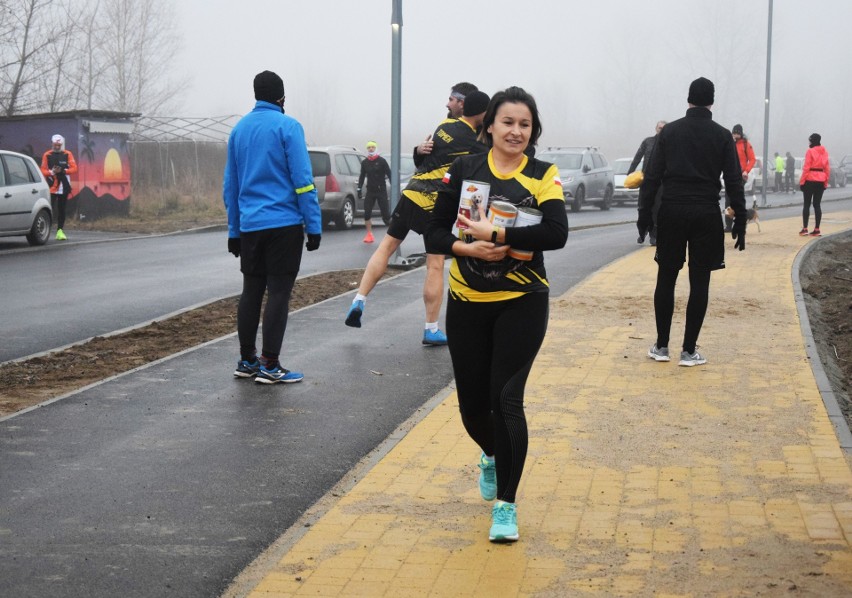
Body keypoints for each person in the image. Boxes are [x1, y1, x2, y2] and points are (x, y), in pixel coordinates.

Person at [425, 86, 568, 543]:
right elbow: (433, 230)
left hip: (523, 302)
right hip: (467, 302)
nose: (516, 131)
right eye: (508, 122)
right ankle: (490, 453)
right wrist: (468, 246)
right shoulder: (464, 169)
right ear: (490, 126)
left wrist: (498, 230)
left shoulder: (544, 174)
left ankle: (506, 506)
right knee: (472, 408)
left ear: (533, 130)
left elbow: (557, 233)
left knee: (505, 398)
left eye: (525, 124)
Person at [344, 89, 491, 345]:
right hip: (434, 205)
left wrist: (417, 150)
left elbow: (427, 155)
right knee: (434, 265)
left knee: (386, 247)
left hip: (411, 193)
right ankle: (431, 328)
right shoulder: (473, 143)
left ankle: (359, 299)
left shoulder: (444, 125)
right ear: (482, 114)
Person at [638, 77, 746, 368]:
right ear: (712, 101)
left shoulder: (669, 132)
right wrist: (741, 217)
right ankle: (688, 351)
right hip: (705, 213)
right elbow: (734, 180)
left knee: (667, 277)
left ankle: (661, 346)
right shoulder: (722, 136)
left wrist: (644, 216)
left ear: (688, 99)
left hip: (672, 211)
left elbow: (652, 178)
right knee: (700, 281)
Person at [223, 70, 322, 384]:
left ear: (256, 95)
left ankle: (247, 359)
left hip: (251, 225)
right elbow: (303, 182)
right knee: (279, 292)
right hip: (283, 225)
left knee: (251, 291)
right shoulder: (288, 127)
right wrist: (314, 224)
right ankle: (271, 364)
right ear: (282, 97)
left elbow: (231, 186)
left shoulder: (238, 131)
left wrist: (234, 231)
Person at [412, 82, 479, 167]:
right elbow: (425, 165)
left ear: (461, 103)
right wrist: (419, 151)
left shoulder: (480, 134)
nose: (447, 105)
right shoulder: (447, 124)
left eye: (451, 100)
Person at [628, 120, 666, 245]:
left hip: (661, 181)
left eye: (663, 128)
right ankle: (642, 231)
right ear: (656, 128)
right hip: (647, 180)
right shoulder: (647, 141)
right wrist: (630, 173)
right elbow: (637, 157)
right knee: (643, 207)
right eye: (659, 127)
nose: (661, 130)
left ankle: (654, 235)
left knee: (657, 208)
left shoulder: (669, 142)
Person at [40, 134, 77, 241]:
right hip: (51, 187)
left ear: (62, 144)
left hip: (64, 186)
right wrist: (51, 172)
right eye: (55, 145)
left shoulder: (67, 154)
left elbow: (74, 168)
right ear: (52, 144)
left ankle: (60, 231)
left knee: (62, 209)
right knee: (48, 209)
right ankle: (45, 230)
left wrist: (64, 171)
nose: (57, 147)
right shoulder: (47, 154)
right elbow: (42, 170)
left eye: (59, 145)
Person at [357, 141, 391, 244]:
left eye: (372, 147)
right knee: (367, 213)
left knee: (385, 215)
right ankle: (369, 234)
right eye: (369, 148)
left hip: (381, 190)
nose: (371, 149)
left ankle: (391, 236)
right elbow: (362, 176)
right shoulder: (365, 162)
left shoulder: (382, 161)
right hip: (370, 191)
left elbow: (390, 174)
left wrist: (394, 187)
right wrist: (359, 188)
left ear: (375, 148)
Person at [724, 123, 755, 232]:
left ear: (741, 134)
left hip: (740, 176)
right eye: (734, 133)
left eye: (737, 133)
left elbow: (752, 159)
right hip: (729, 175)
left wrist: (746, 171)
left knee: (738, 200)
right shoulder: (728, 143)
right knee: (728, 202)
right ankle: (728, 226)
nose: (735, 135)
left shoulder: (746, 144)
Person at [798, 133, 830, 237]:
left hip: (810, 179)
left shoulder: (810, 151)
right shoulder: (824, 152)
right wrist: (825, 182)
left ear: (812, 141)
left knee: (806, 204)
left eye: (810, 140)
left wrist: (802, 182)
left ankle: (805, 228)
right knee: (817, 205)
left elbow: (806, 167)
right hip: (821, 180)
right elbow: (827, 169)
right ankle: (817, 229)